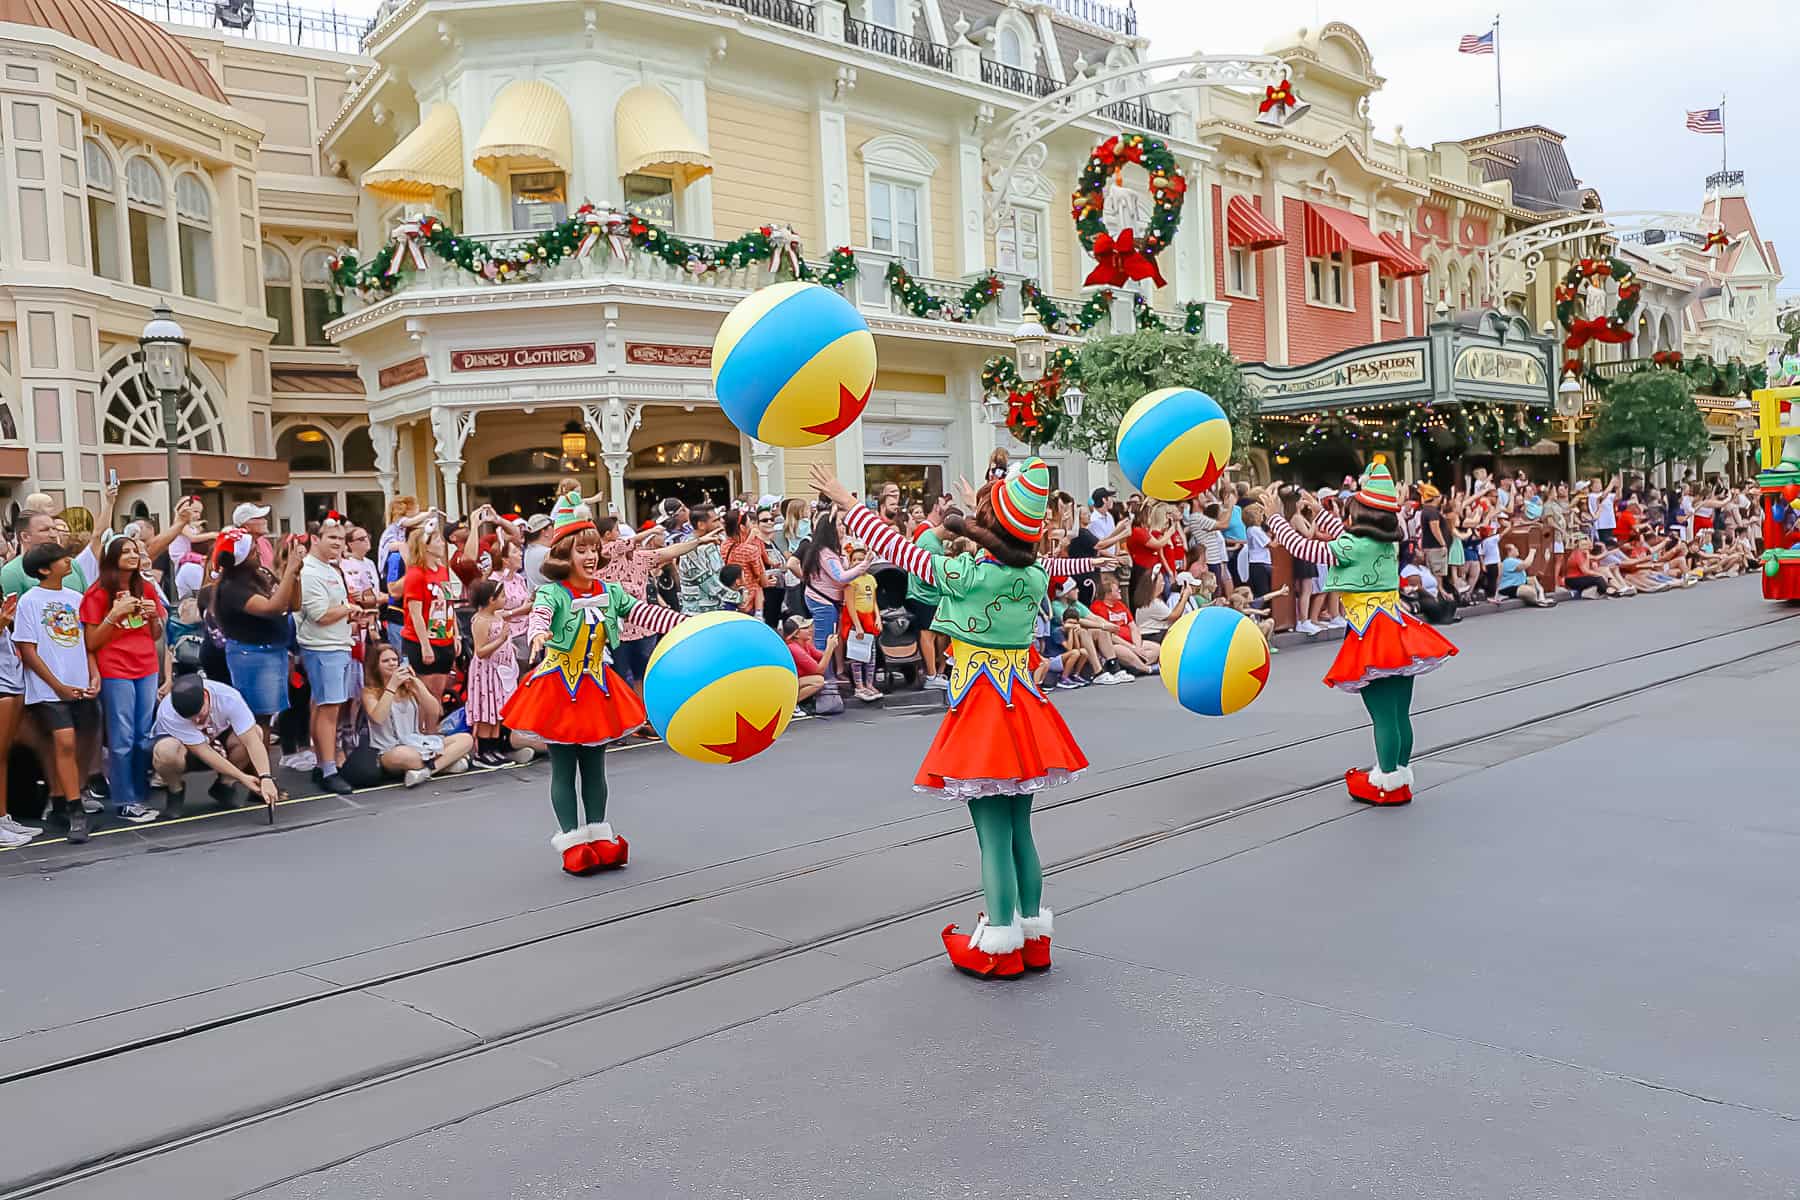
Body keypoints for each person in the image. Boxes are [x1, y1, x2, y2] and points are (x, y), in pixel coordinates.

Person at [815, 458, 1095, 980]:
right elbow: (1017, 549)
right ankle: (1034, 938)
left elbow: (902, 549)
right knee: (1020, 830)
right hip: (1024, 708)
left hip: (982, 715)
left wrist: (847, 499)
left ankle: (1002, 943)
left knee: (991, 836)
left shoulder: (966, 575)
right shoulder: (1034, 576)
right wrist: (978, 515)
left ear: (990, 528)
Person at [501, 493, 688, 876]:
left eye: (593, 549)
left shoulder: (609, 592)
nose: (589, 556)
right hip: (558, 685)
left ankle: (600, 835)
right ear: (564, 556)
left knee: (596, 766)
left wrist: (689, 623)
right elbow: (540, 615)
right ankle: (572, 840)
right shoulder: (553, 592)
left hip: (596, 685)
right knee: (563, 766)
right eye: (580, 550)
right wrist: (537, 634)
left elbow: (646, 614)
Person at [1264, 462, 1458, 807]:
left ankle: (1386, 784)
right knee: (1400, 713)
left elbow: (1305, 549)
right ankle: (1397, 774)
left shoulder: (1356, 544)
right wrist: (1320, 510)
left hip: (1372, 634)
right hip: (1398, 629)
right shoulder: (1385, 541)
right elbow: (1343, 535)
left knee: (1383, 715)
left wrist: (1275, 518)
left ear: (1362, 513)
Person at [14, 543, 100, 841]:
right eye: (61, 559)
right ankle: (75, 811)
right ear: (44, 569)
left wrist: (94, 672)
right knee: (63, 742)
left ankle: (65, 801)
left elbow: (86, 640)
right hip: (49, 689)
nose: (68, 561)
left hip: (80, 683)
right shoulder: (29, 601)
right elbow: (27, 648)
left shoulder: (77, 598)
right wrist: (57, 685)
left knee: (81, 744)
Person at [80, 536, 167, 823]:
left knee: (143, 735)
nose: (133, 554)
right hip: (115, 668)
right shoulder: (98, 593)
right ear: (112, 557)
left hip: (146, 666)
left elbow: (154, 635)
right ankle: (124, 799)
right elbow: (90, 642)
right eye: (125, 551)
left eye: (135, 550)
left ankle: (139, 795)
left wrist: (154, 618)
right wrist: (114, 615)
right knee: (122, 736)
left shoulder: (145, 588)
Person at [150, 673, 279, 817]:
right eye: (190, 719)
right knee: (165, 751)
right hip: (187, 751)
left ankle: (225, 785)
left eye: (199, 714)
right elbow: (204, 752)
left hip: (218, 739)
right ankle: (175, 791)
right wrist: (243, 778)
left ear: (206, 696)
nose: (197, 720)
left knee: (255, 732)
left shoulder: (229, 697)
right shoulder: (168, 712)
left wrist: (265, 777)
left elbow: (252, 742)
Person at [213, 527, 302, 730]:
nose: (259, 552)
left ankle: (261, 761)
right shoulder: (232, 587)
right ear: (240, 558)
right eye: (253, 551)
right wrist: (289, 571)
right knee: (255, 720)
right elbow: (273, 607)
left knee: (266, 719)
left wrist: (295, 574)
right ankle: (257, 762)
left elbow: (293, 605)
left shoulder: (262, 574)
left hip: (274, 651)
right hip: (252, 656)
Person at [297, 516, 357, 794]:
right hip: (323, 648)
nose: (338, 543)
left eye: (341, 538)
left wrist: (349, 612)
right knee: (329, 708)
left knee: (322, 706)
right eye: (331, 537)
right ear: (315, 539)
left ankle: (323, 765)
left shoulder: (329, 569)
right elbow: (320, 615)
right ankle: (329, 769)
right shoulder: (310, 571)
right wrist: (349, 609)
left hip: (336, 644)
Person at [361, 642, 473, 786]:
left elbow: (435, 711)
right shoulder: (369, 692)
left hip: (418, 743)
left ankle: (426, 771)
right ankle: (448, 764)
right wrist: (392, 686)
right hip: (390, 749)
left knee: (466, 739)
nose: (392, 664)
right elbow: (378, 718)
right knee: (408, 756)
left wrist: (418, 685)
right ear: (376, 666)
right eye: (385, 661)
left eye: (395, 660)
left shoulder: (408, 687)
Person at [800, 511, 872, 676]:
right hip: (823, 602)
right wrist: (864, 564)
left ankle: (827, 675)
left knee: (829, 639)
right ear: (830, 530)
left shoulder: (831, 550)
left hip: (826, 599)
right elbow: (840, 577)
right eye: (839, 525)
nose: (843, 527)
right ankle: (825, 679)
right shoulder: (826, 554)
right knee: (824, 641)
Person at [466, 579, 527, 767]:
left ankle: (495, 747)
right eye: (501, 596)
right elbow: (481, 651)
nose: (505, 598)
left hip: (501, 673)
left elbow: (514, 613)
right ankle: (484, 751)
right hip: (486, 673)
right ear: (491, 599)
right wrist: (501, 640)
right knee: (487, 709)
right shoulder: (481, 620)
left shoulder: (497, 616)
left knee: (497, 709)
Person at [400, 518, 461, 701]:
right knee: (424, 695)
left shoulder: (443, 570)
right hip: (422, 641)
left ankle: (434, 728)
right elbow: (415, 614)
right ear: (425, 546)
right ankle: (424, 729)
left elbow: (450, 605)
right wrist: (425, 646)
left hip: (444, 637)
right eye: (437, 540)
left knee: (438, 694)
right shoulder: (415, 574)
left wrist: (455, 634)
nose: (442, 544)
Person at [782, 616, 832, 710]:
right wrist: (830, 647)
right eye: (805, 628)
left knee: (818, 679)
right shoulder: (793, 648)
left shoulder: (805, 644)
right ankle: (790, 705)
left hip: (797, 680)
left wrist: (831, 645)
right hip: (788, 682)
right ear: (796, 634)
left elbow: (821, 656)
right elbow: (819, 670)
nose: (810, 630)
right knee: (818, 681)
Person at [1399, 559, 1459, 625]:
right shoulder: (1409, 569)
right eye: (1420, 550)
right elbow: (1418, 588)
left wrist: (1443, 592)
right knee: (1431, 603)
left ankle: (1446, 618)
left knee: (1451, 601)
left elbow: (1436, 584)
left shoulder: (1424, 568)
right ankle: (1444, 618)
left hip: (1435, 595)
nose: (1423, 553)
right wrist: (1432, 597)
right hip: (1422, 597)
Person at [1497, 542, 1556, 608]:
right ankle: (1538, 601)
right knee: (1530, 591)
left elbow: (1535, 569)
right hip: (1508, 587)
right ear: (1509, 551)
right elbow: (1526, 564)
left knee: (1533, 579)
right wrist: (1532, 552)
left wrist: (1545, 560)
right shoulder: (1508, 561)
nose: (1517, 549)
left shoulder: (1516, 560)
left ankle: (1541, 598)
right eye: (1515, 548)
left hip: (1517, 585)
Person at [231, 501, 276, 569]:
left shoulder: (264, 542)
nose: (265, 520)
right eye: (258, 518)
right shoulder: (237, 549)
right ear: (246, 526)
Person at [522, 512, 555, 588]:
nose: (554, 528)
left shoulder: (528, 551)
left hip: (537, 597)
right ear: (545, 532)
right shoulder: (547, 553)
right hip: (550, 598)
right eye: (552, 526)